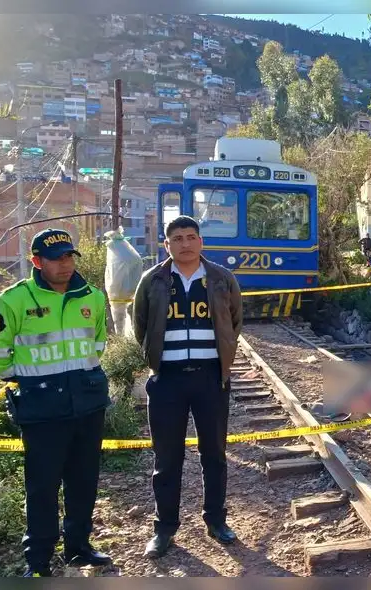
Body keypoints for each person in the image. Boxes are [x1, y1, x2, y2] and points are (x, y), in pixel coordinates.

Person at [0, 228, 113, 577]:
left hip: (87, 404)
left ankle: (78, 548)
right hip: (42, 408)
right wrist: (26, 378)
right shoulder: (12, 301)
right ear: (37, 261)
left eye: (70, 257)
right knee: (42, 487)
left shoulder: (93, 298)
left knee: (83, 481)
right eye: (57, 259)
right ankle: (38, 562)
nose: (66, 264)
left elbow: (98, 344)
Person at [132, 215, 243, 559]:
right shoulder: (152, 281)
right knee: (167, 459)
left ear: (201, 241)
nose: (185, 243)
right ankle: (164, 528)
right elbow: (141, 326)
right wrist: (160, 360)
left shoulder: (221, 279)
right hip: (167, 381)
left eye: (191, 237)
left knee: (215, 454)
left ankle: (216, 520)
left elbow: (234, 322)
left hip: (210, 379)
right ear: (167, 245)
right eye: (177, 238)